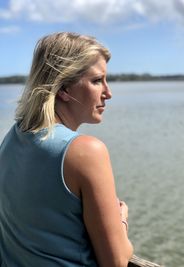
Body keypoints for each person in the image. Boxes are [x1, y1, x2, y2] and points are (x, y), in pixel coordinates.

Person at [0, 32, 133, 267]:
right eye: (96, 81)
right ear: (63, 88)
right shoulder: (86, 152)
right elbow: (117, 262)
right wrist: (121, 220)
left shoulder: (13, 138)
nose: (108, 93)